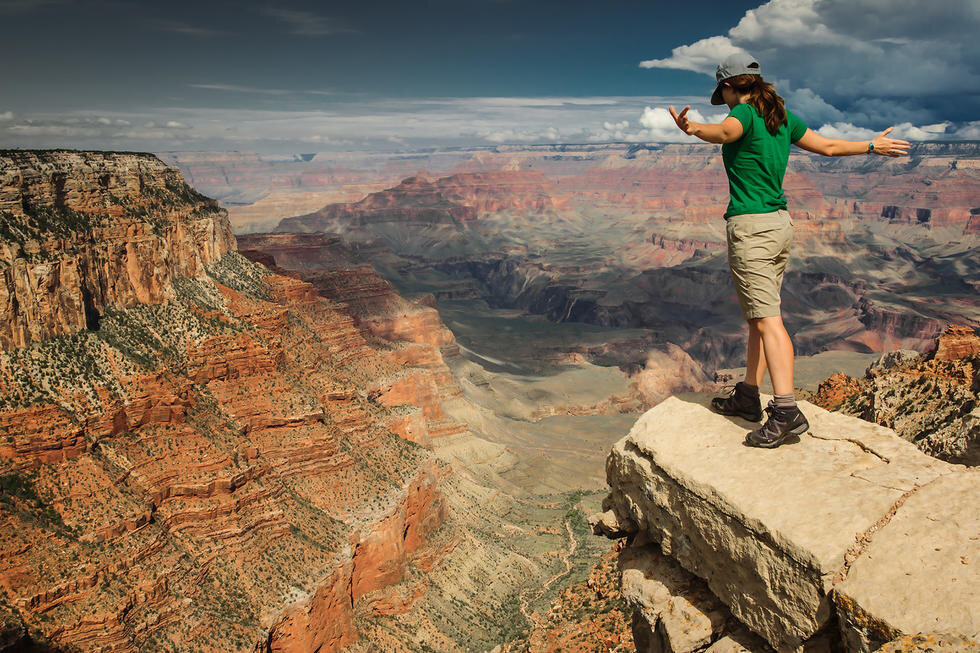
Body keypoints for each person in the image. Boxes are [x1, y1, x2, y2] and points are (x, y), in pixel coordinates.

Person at [667, 52, 910, 448]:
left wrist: (691, 128)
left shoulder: (742, 115)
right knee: (758, 319)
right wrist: (870, 145)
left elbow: (725, 133)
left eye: (723, 91)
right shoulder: (780, 115)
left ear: (730, 87)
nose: (724, 97)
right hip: (780, 226)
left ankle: (785, 412)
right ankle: (748, 395)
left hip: (753, 228)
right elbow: (828, 146)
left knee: (768, 322)